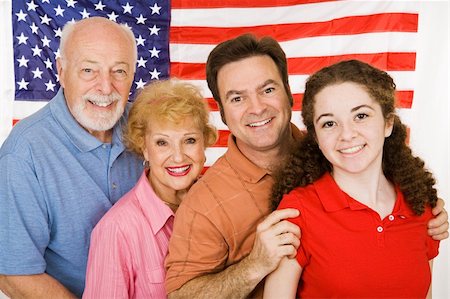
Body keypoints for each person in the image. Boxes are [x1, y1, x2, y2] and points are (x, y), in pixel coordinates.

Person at [164, 34, 449, 298]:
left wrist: (422, 202)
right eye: (237, 98)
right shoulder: (205, 203)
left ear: (289, 92)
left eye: (267, 89)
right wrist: (254, 265)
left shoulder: (339, 149)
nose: (256, 107)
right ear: (222, 112)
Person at [265, 59, 440, 298]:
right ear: (316, 137)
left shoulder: (421, 205)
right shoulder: (297, 211)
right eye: (329, 123)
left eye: (360, 116)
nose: (347, 134)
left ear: (388, 123)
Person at [0, 17, 142, 298]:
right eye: (89, 70)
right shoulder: (23, 154)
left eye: (119, 71)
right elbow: (14, 274)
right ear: (62, 71)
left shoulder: (147, 127)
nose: (105, 87)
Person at [82, 79, 217, 298]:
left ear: (204, 143)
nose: (178, 156)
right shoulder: (117, 230)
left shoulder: (219, 204)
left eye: (189, 140)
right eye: (162, 143)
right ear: (144, 148)